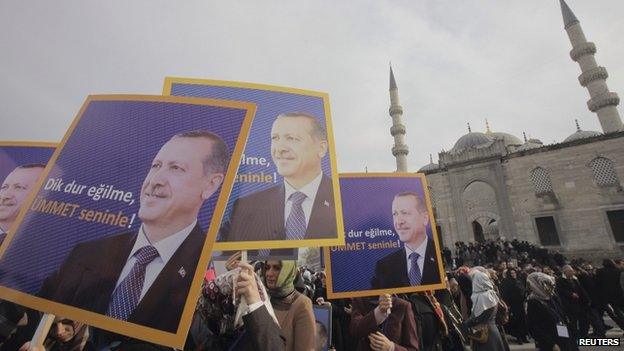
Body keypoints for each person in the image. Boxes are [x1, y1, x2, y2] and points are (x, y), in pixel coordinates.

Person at [38, 131, 228, 333]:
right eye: (156, 166)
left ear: (210, 185)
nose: (155, 180)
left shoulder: (214, 269)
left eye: (176, 168)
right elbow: (38, 314)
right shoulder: (86, 254)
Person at [222, 112, 337, 242]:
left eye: (292, 138)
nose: (280, 148)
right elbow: (222, 256)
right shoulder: (245, 208)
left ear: (321, 148)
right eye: (275, 138)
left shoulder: (344, 200)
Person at [371, 192, 441, 289]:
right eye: (395, 214)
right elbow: (373, 299)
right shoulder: (384, 266)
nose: (398, 222)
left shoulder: (440, 256)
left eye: (405, 213)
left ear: (425, 218)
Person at [262, 260, 315, 351]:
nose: (269, 273)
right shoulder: (262, 299)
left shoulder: (302, 304)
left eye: (277, 268)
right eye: (267, 268)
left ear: (289, 271)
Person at [526, 272, 577, 351]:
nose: (550, 288)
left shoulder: (551, 298)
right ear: (537, 285)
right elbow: (534, 327)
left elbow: (560, 315)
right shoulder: (534, 302)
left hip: (563, 336)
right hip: (552, 342)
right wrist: (551, 344)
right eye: (546, 285)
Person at [350, 294, 419, 351]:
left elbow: (413, 348)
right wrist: (378, 312)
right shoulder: (360, 301)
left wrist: (391, 347)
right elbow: (355, 331)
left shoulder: (403, 305)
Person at [0, 164, 46, 244]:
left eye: (19, 187)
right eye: (4, 187)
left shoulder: (43, 243)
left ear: (43, 195)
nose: (5, 196)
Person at [462, 271, 506, 351]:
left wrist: (467, 323)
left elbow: (483, 316)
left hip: (485, 333)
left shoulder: (484, 296)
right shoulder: (490, 293)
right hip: (491, 330)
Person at [19, 317, 93, 351]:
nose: (59, 332)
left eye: (66, 322)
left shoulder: (89, 346)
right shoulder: (32, 329)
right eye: (53, 324)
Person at [500, 269, 529, 344]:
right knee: (516, 320)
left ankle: (524, 336)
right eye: (511, 273)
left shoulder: (518, 281)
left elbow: (523, 289)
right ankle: (518, 337)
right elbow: (505, 294)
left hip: (520, 304)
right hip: (513, 304)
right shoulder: (506, 282)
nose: (513, 274)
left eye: (514, 273)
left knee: (522, 320)